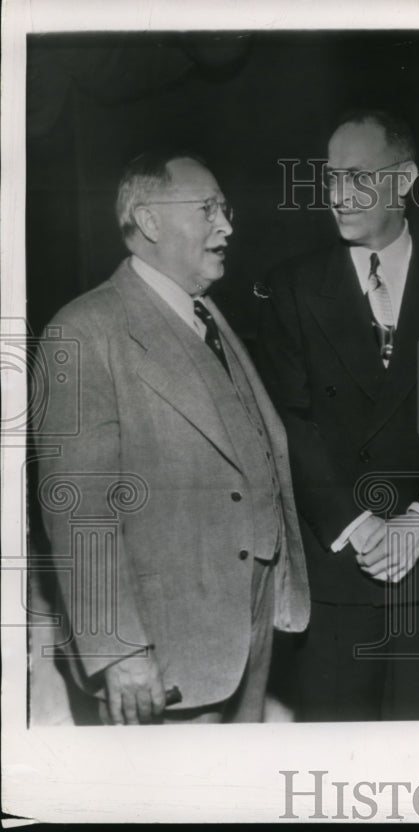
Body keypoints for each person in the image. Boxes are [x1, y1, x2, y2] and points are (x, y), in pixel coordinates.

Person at [34, 150, 310, 725]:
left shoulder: (206, 314)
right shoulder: (84, 330)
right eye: (208, 208)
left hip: (244, 640)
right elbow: (80, 509)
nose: (227, 225)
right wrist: (119, 651)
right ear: (150, 220)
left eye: (226, 209)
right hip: (162, 656)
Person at [256, 110, 419, 721]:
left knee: (416, 765)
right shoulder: (291, 287)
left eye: (357, 177)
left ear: (406, 179)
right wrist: (359, 525)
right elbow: (288, 424)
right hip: (338, 568)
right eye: (331, 178)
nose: (339, 196)